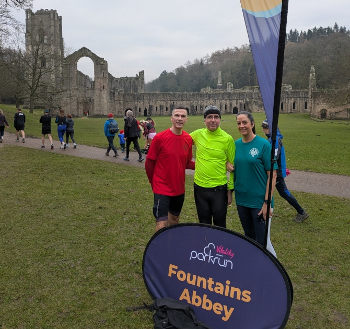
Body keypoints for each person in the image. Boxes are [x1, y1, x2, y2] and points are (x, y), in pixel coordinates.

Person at [234, 111, 278, 255]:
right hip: (242, 200)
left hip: (259, 202)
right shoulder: (235, 145)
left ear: (252, 124)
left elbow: (272, 175)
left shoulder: (264, 145)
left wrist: (267, 202)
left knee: (263, 243)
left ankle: (275, 274)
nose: (242, 126)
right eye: (239, 123)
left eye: (245, 122)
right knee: (249, 238)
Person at [145, 106, 195, 231]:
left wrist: (206, 164)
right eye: (177, 116)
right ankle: (160, 250)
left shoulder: (188, 139)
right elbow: (149, 163)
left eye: (183, 116)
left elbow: (187, 162)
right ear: (171, 118)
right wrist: (154, 183)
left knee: (174, 221)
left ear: (187, 119)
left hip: (179, 188)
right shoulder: (160, 138)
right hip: (162, 187)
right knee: (161, 225)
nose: (180, 118)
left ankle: (171, 248)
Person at [190, 105, 235, 228]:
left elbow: (233, 167)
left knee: (220, 225)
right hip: (199, 188)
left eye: (216, 117)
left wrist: (230, 191)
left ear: (220, 119)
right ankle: (206, 247)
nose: (213, 120)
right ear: (204, 120)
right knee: (204, 224)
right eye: (209, 117)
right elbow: (181, 141)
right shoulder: (197, 134)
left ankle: (220, 248)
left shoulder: (227, 139)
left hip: (219, 189)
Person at [261, 119, 309, 223]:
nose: (263, 130)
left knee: (284, 193)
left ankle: (301, 212)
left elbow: (274, 156)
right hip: (274, 170)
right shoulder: (272, 139)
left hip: (276, 172)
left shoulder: (275, 139)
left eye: (265, 127)